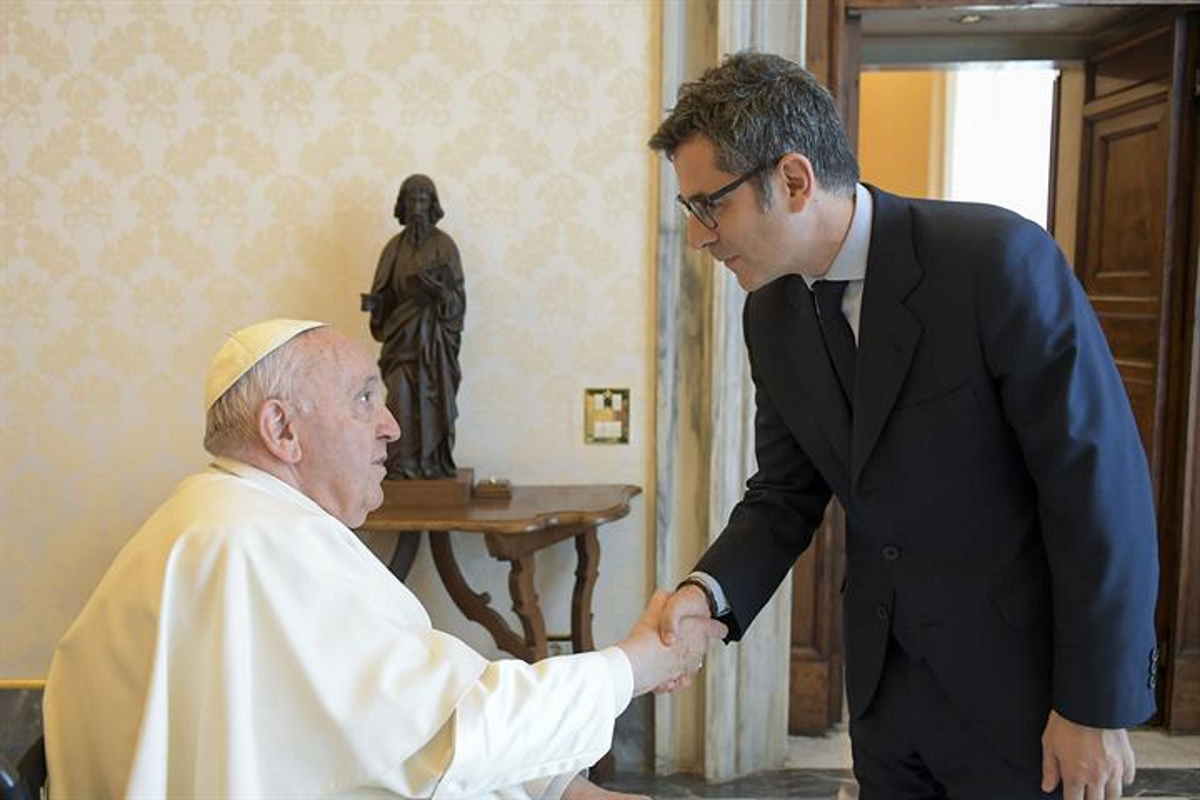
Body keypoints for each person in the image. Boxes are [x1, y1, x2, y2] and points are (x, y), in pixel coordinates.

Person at [649, 52, 1159, 799]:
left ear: (792, 180)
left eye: (709, 206)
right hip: (887, 699)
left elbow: (1097, 492)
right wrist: (707, 596)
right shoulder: (773, 313)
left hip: (1029, 696)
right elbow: (785, 493)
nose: (700, 237)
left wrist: (1094, 703)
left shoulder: (995, 262)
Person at [43, 319, 725, 799]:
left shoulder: (224, 516)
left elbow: (398, 718)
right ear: (282, 429)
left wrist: (561, 787)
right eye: (365, 398)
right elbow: (450, 732)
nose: (392, 425)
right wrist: (637, 663)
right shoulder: (260, 544)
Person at [367, 174, 465, 480]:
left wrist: (438, 293)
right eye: (412, 200)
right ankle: (402, 465)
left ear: (432, 205)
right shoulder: (393, 249)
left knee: (434, 403)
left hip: (434, 346)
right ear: (403, 205)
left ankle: (433, 463)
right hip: (400, 341)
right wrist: (375, 306)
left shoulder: (444, 246)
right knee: (399, 401)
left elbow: (457, 301)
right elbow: (383, 294)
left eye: (423, 200)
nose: (417, 207)